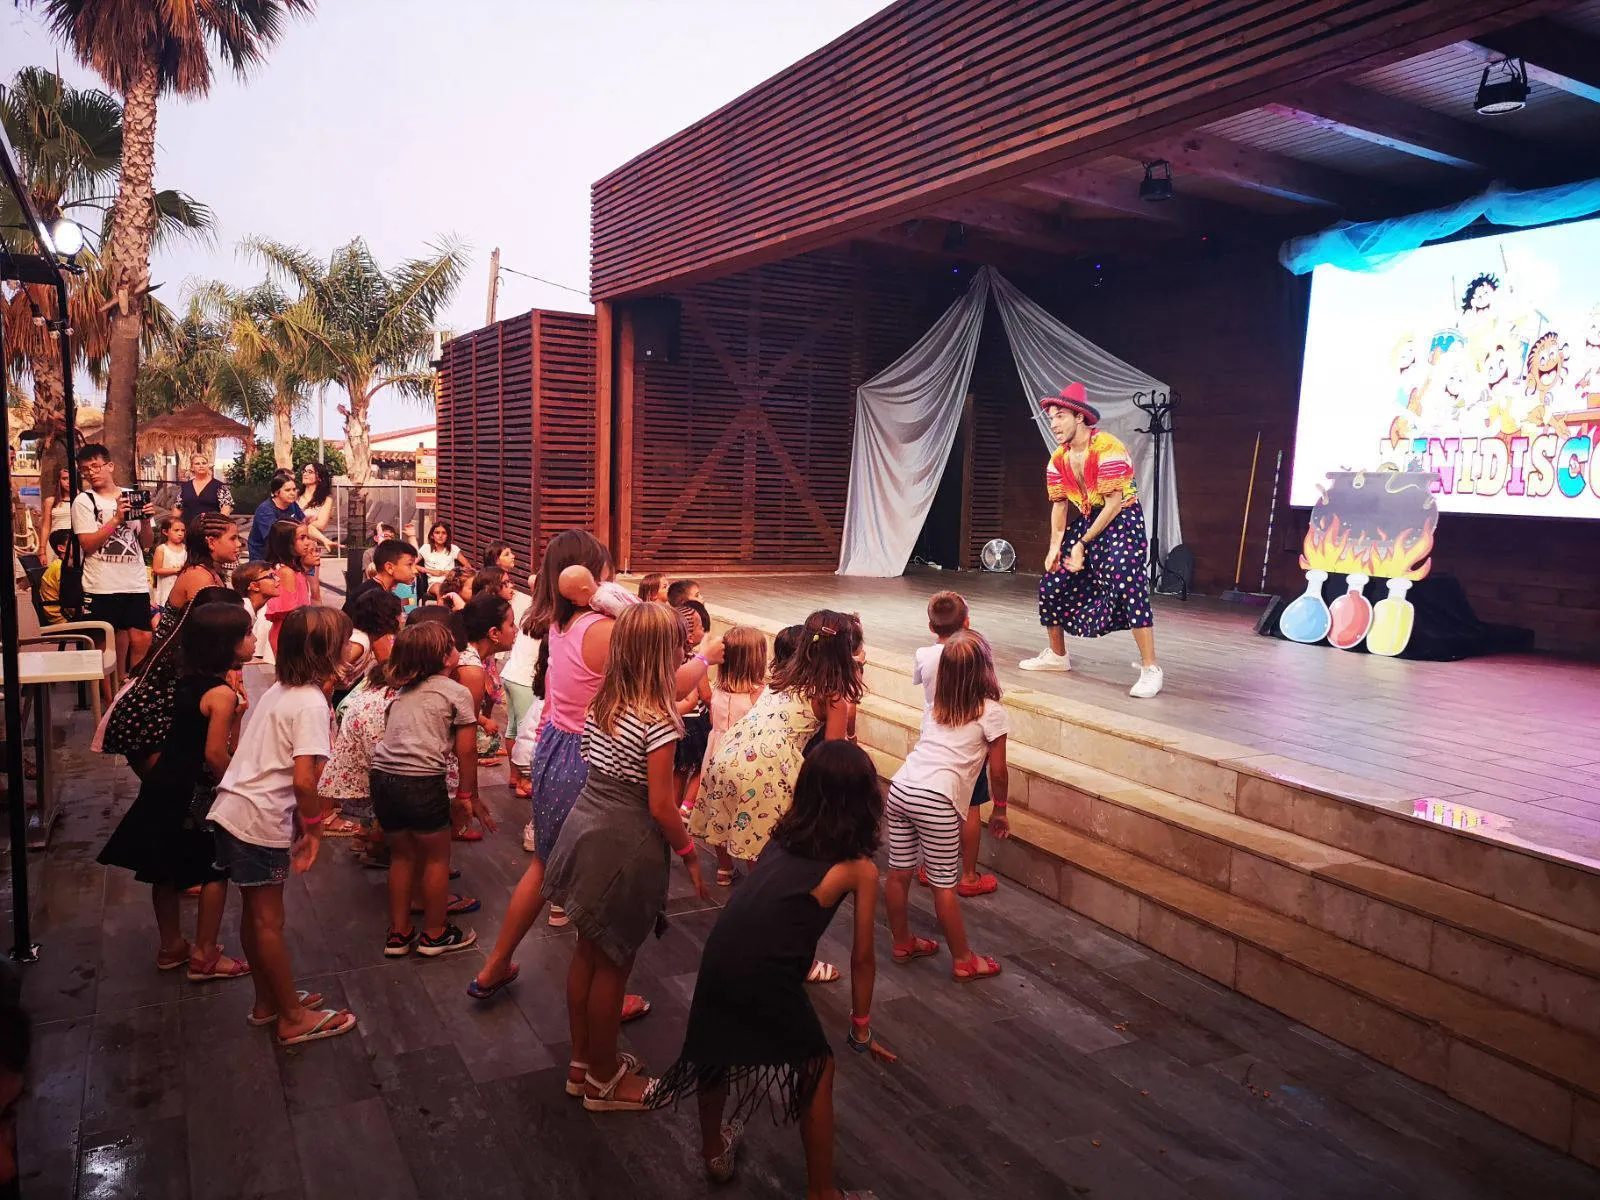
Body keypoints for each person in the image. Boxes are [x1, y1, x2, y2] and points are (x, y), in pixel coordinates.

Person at [469, 529, 723, 1000]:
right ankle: (605, 994)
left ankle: (496, 963)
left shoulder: (560, 624)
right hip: (593, 755)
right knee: (602, 883)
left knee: (545, 864)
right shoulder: (603, 630)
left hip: (555, 746)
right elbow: (661, 684)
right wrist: (705, 658)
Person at [652, 741, 894, 1194]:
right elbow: (862, 958)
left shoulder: (781, 838)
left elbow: (772, 906)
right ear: (864, 802)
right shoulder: (858, 869)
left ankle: (713, 1151)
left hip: (722, 951)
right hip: (768, 971)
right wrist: (860, 1027)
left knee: (713, 1051)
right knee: (817, 1067)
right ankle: (823, 1194)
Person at [542, 603, 709, 1110]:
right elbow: (660, 804)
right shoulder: (658, 720)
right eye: (679, 646)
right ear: (663, 654)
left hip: (585, 827)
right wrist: (688, 853)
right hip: (624, 841)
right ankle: (604, 1079)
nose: (685, 652)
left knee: (586, 953)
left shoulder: (604, 701)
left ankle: (581, 1063)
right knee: (614, 963)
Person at [207, 605, 358, 1047]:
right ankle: (292, 1017)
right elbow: (305, 780)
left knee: (255, 917)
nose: (351, 648)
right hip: (258, 821)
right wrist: (314, 828)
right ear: (326, 652)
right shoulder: (310, 703)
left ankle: (268, 1001)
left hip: (234, 812)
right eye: (344, 641)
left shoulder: (282, 690)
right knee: (268, 922)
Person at [97, 599, 255, 985]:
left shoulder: (186, 681)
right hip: (193, 793)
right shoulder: (221, 694)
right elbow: (215, 753)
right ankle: (205, 954)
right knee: (214, 870)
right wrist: (237, 787)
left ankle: (171, 946)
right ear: (227, 645)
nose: (254, 640)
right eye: (247, 634)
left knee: (163, 870)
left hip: (163, 783)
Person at [695, 609, 861, 917]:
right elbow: (832, 754)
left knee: (753, 835)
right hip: (767, 764)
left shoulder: (784, 675)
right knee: (770, 851)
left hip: (731, 750)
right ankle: (770, 916)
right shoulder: (832, 693)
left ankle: (751, 898)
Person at [1020, 383, 1163, 698]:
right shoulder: (1059, 459)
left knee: (1126, 578)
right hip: (1089, 519)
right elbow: (1060, 505)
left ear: (1080, 417)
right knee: (1052, 583)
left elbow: (1113, 505)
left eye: (1060, 416)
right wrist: (1055, 547)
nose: (1054, 424)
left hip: (1122, 518)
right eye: (1051, 418)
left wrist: (1081, 544)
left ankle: (1150, 667)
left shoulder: (1108, 448)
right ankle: (1057, 656)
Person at [884, 630, 1009, 983]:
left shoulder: (936, 707)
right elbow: (998, 771)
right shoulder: (991, 713)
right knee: (943, 885)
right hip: (936, 799)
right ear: (986, 668)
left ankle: (902, 942)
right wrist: (1000, 809)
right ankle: (964, 959)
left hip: (902, 786)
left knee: (898, 873)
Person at [373, 620, 494, 958]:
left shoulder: (400, 694)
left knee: (402, 856)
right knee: (437, 858)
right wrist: (466, 796)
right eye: (453, 646)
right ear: (444, 658)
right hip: (422, 782)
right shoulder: (455, 692)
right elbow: (466, 749)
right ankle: (435, 934)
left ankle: (398, 934)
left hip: (383, 779)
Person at [99, 513, 243, 774]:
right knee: (171, 777)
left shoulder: (210, 573)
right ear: (211, 542)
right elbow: (211, 635)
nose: (238, 544)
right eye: (232, 538)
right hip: (165, 683)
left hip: (179, 675)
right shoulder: (199, 577)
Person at [913, 591, 999, 897]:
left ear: (930, 625)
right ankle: (969, 875)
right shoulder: (974, 655)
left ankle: (930, 866)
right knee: (971, 807)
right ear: (967, 623)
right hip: (968, 741)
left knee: (935, 801)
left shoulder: (924, 655)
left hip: (934, 734)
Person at [72, 442, 155, 683]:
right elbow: (88, 544)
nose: (91, 473)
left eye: (95, 466)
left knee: (142, 638)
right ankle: (110, 702)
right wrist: (117, 519)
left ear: (110, 466)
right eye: (85, 469)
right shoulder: (84, 501)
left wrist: (146, 521)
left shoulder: (131, 495)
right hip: (101, 585)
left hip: (134, 583)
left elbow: (146, 543)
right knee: (105, 649)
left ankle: (131, 693)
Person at [451, 592, 516, 837]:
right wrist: (469, 796)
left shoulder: (468, 658)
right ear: (493, 633)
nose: (516, 630)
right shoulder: (471, 669)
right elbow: (464, 743)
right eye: (511, 624)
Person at [690, 625, 767, 826]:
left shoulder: (718, 690)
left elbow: (712, 721)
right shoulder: (760, 695)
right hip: (742, 758)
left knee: (715, 807)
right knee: (739, 812)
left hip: (715, 752)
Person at [333, 586, 404, 709]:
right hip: (336, 696)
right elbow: (331, 674)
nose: (403, 617)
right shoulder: (360, 643)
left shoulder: (368, 639)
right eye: (399, 614)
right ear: (387, 618)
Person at [262, 520, 317, 657]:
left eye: (307, 537)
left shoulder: (294, 570)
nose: (308, 542)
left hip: (293, 632)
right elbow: (290, 613)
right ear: (287, 544)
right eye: (302, 538)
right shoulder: (287, 573)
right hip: (288, 635)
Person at [345, 538, 418, 614]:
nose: (415, 571)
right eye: (409, 564)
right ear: (389, 568)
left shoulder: (380, 592)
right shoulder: (373, 600)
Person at [247, 469, 304, 562]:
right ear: (276, 493)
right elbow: (275, 538)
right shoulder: (265, 510)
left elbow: (304, 524)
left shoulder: (292, 504)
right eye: (287, 490)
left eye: (294, 489)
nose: (292, 493)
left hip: (286, 552)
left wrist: (324, 540)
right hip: (263, 558)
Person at [178, 453, 234, 523]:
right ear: (192, 467)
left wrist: (218, 524)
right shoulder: (185, 487)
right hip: (188, 527)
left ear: (208, 466)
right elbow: (178, 508)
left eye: (204, 463)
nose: (201, 466)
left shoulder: (220, 487)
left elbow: (226, 508)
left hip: (212, 527)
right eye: (197, 464)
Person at [151, 516, 188, 610]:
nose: (180, 533)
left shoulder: (186, 549)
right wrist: (177, 570)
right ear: (165, 532)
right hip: (166, 588)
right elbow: (156, 569)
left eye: (183, 530)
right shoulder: (162, 549)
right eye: (176, 530)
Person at [36, 529, 72, 624]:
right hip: (63, 621)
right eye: (74, 542)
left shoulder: (64, 565)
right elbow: (71, 605)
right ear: (61, 548)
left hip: (67, 616)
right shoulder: (60, 568)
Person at [299, 462, 336, 550]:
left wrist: (300, 524)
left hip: (309, 544)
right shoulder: (295, 495)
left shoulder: (326, 499)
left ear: (319, 477)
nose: (305, 474)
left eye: (310, 472)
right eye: (304, 471)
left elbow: (321, 524)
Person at [40, 465, 73, 556]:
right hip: (54, 543)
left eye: (71, 478)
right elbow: (46, 526)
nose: (68, 482)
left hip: (74, 544)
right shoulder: (51, 501)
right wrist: (42, 550)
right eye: (64, 478)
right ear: (59, 481)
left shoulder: (82, 499)